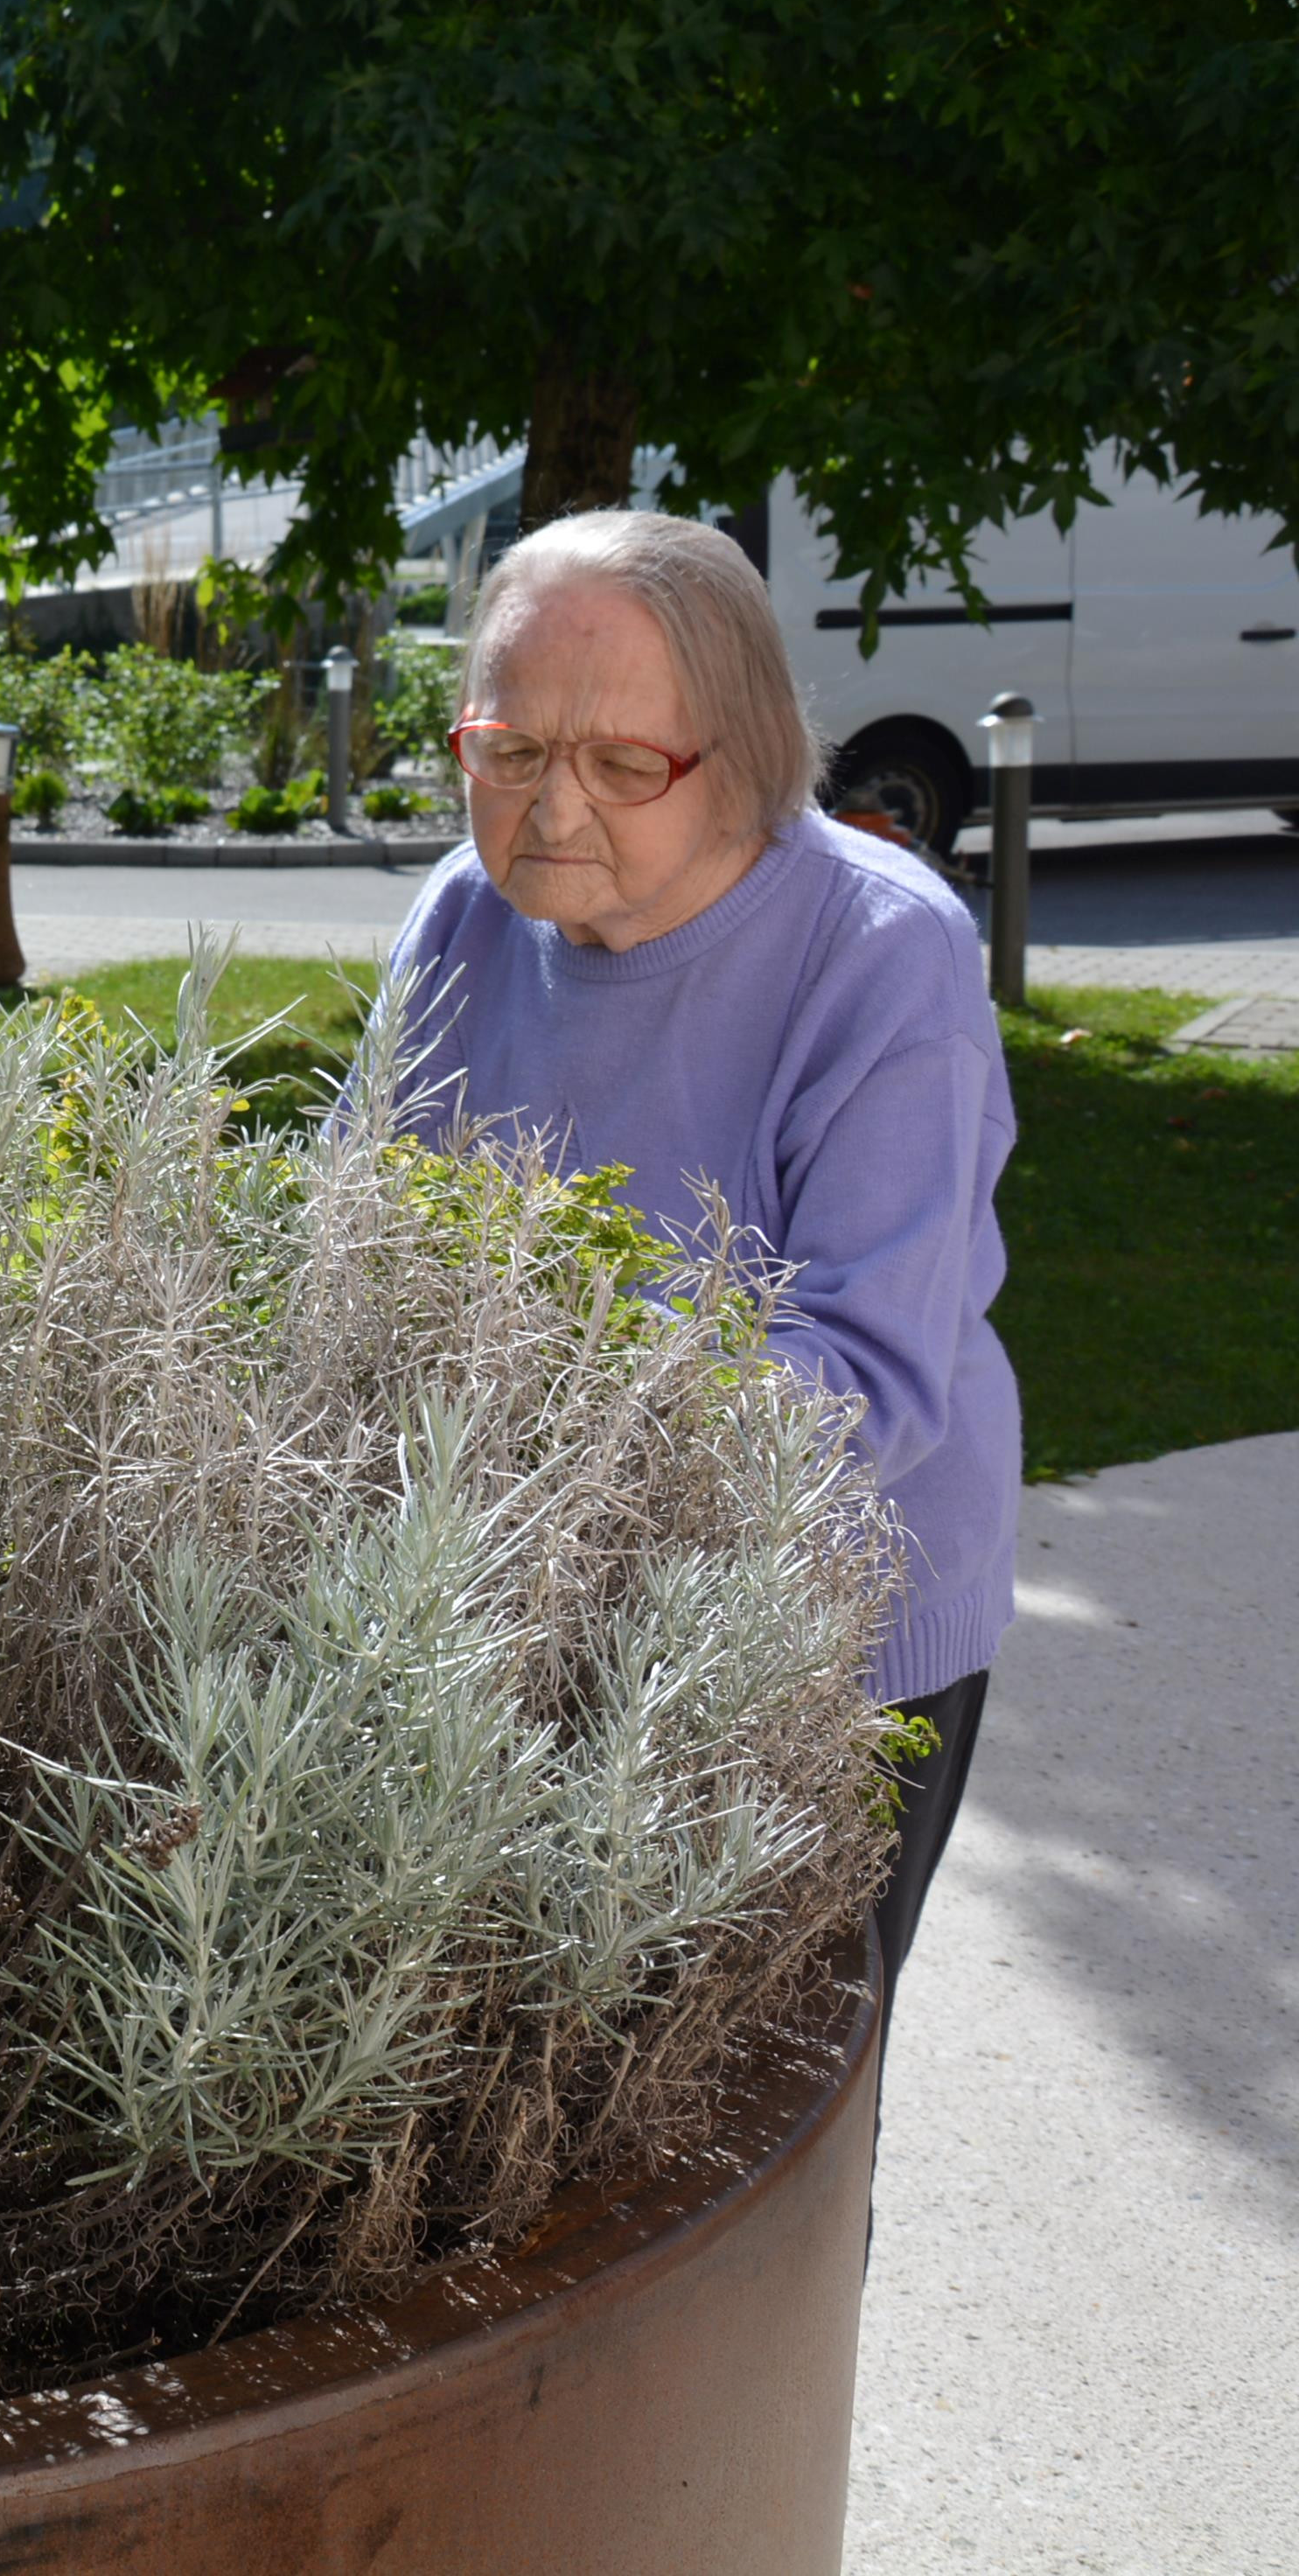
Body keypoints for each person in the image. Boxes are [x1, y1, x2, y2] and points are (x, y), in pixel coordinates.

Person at [379, 508, 1016, 1979]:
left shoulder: (879, 950)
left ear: (743, 760)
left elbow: (868, 1377)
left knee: (754, 2109)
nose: (549, 813)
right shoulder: (464, 919)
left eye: (620, 765)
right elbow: (373, 1227)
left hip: (820, 1627)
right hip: (513, 1596)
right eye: (511, 751)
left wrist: (546, 1424)